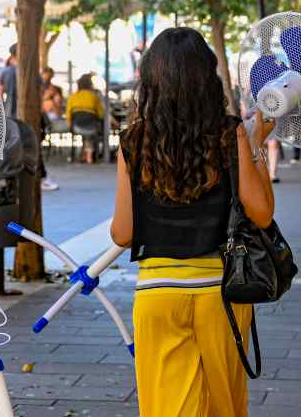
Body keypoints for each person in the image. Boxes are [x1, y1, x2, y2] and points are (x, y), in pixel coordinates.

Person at [110, 27, 275, 417]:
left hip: (157, 296)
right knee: (223, 406)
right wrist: (255, 148)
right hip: (220, 294)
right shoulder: (229, 133)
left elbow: (123, 232)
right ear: (208, 77)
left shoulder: (134, 140)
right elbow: (262, 214)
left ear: (149, 79)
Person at [0, 44, 59, 190]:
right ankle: (41, 177)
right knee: (32, 147)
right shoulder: (33, 73)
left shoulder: (5, 72)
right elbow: (40, 95)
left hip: (9, 116)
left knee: (10, 148)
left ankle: (10, 179)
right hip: (29, 117)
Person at [66, 73, 105, 164]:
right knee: (90, 133)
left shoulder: (72, 97)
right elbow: (100, 115)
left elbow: (68, 116)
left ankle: (84, 154)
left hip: (76, 127)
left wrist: (69, 127)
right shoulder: (94, 97)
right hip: (91, 127)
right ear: (90, 85)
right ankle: (89, 156)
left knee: (86, 134)